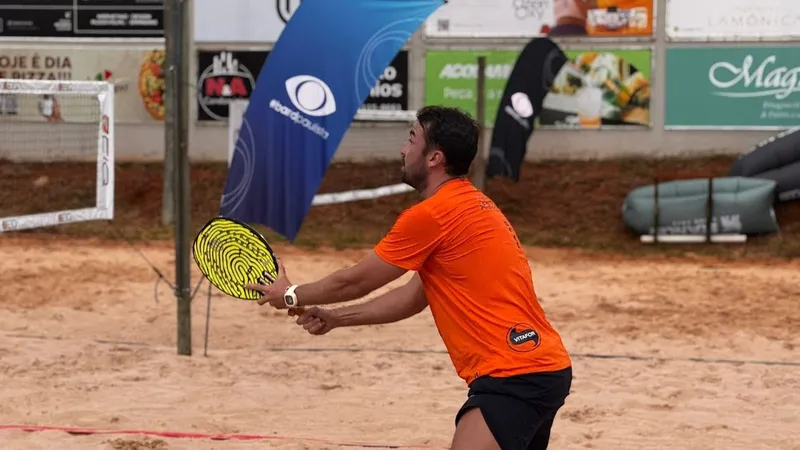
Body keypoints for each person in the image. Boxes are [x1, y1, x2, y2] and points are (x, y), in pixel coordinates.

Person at [246, 105, 572, 450]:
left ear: (434, 158)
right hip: (539, 367)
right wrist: (335, 319)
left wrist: (291, 294)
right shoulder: (473, 206)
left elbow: (355, 281)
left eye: (412, 139)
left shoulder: (432, 215)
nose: (403, 149)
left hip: (514, 374)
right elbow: (412, 297)